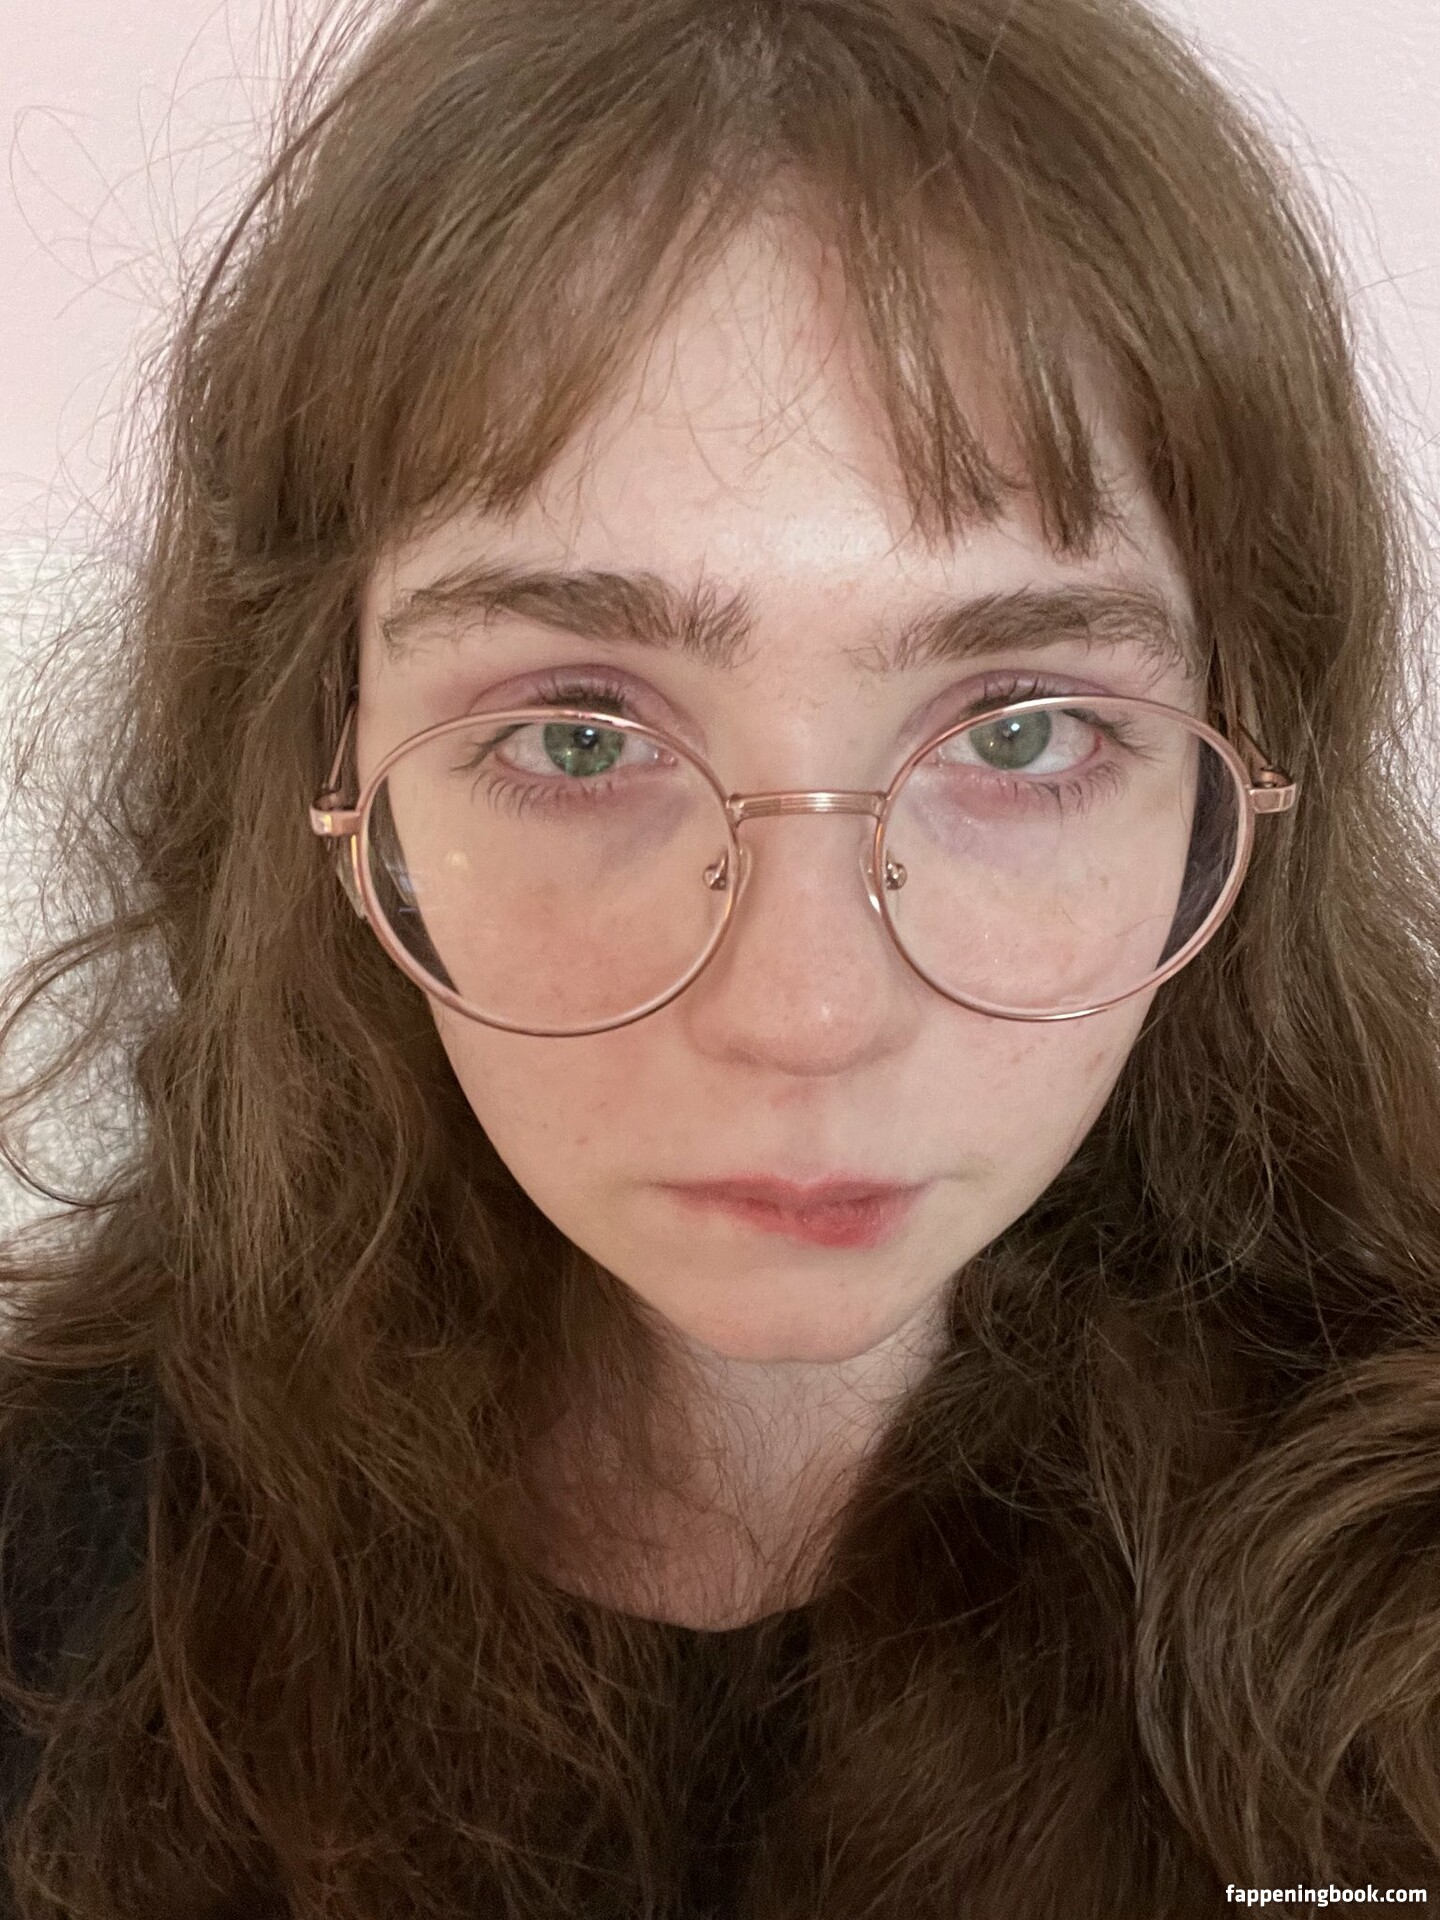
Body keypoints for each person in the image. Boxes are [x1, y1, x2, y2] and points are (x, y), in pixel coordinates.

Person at [0, 0, 1437, 1911]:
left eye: (1020, 732)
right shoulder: (49, 1593)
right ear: (328, 776)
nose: (805, 1016)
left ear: (1235, 776)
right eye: (580, 738)